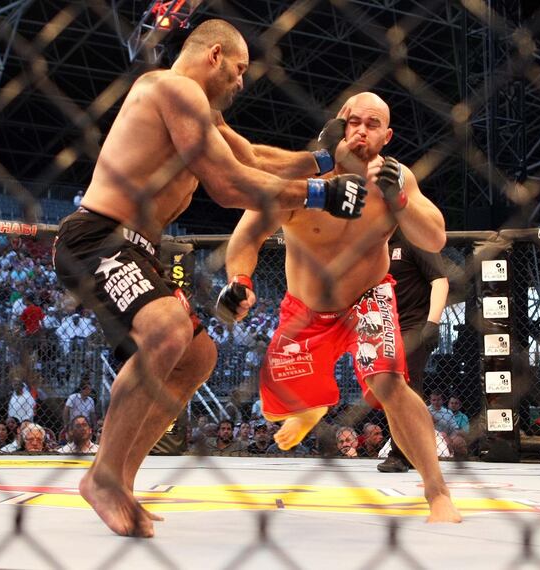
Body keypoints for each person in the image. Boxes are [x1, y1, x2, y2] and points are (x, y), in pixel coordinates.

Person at [51, 19, 367, 537]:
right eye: (240, 70)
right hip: (98, 236)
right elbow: (227, 184)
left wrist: (327, 160)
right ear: (214, 55)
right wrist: (321, 194)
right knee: (168, 330)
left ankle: (123, 482)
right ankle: (103, 476)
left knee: (198, 357)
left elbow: (256, 159)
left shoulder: (202, 114)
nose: (243, 83)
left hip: (141, 248)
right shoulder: (172, 88)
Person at [222, 92, 460, 522]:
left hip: (367, 299)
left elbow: (436, 238)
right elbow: (247, 236)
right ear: (339, 126)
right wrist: (240, 281)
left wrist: (400, 200)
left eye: (373, 124)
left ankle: (437, 491)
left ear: (386, 136)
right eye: (354, 122)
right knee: (277, 404)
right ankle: (310, 405)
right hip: (306, 310)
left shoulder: (396, 177)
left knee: (390, 384)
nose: (362, 131)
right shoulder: (304, 182)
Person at [377, 228, 449, 472]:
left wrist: (433, 323)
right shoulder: (371, 243)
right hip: (384, 324)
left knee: (405, 383)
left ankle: (402, 453)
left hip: (414, 324)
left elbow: (439, 280)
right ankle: (408, 449)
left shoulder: (415, 237)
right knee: (389, 387)